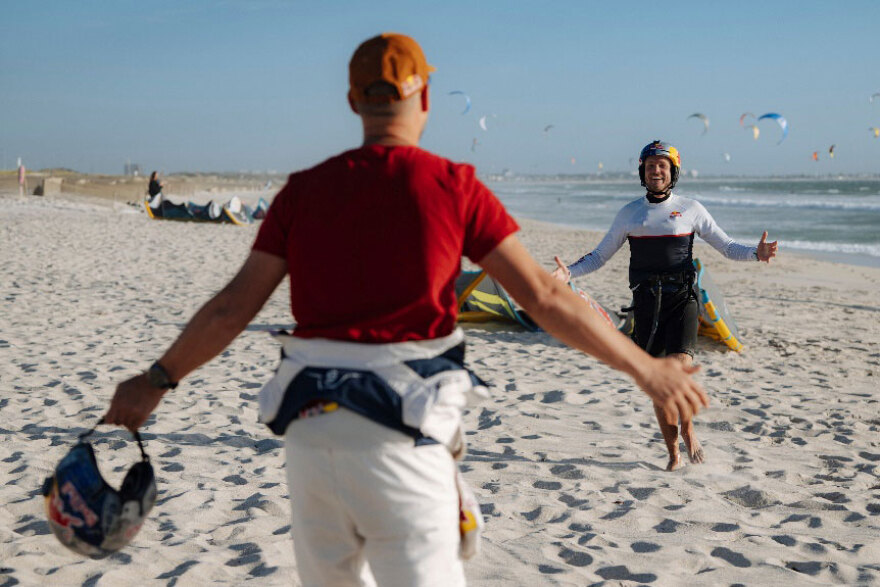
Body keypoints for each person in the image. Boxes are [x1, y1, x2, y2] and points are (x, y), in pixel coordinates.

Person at [104, 36, 707, 586]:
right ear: (424, 98)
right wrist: (645, 370)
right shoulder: (453, 185)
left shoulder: (304, 191)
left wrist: (156, 380)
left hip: (311, 440)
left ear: (352, 101)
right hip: (402, 439)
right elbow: (544, 298)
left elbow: (232, 308)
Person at [552, 140, 777, 472]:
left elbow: (726, 246)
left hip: (682, 301)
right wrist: (568, 271)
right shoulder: (630, 213)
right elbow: (599, 256)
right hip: (646, 306)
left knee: (679, 372)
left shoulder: (691, 209)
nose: (656, 170)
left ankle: (688, 429)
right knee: (658, 388)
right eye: (650, 166)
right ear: (642, 173)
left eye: (662, 165)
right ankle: (673, 452)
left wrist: (756, 253)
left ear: (673, 171)